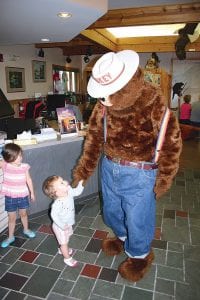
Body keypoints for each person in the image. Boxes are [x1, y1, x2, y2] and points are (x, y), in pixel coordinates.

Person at [72, 50, 182, 282]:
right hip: (109, 167)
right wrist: (83, 173)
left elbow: (171, 141)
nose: (103, 100)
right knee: (111, 212)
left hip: (140, 173)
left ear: (128, 83)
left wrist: (165, 177)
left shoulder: (153, 101)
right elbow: (93, 139)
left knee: (137, 218)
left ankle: (140, 256)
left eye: (108, 94)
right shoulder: (103, 107)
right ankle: (122, 237)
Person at [42, 175, 84, 267]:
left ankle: (62, 250)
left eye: (63, 180)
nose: (65, 181)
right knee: (63, 243)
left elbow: (77, 192)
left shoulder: (68, 192)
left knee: (66, 239)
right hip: (60, 227)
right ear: (57, 192)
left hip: (67, 224)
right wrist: (61, 225)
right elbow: (54, 215)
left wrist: (81, 184)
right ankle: (67, 258)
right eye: (61, 183)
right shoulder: (57, 203)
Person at [0, 143, 36, 248]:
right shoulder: (5, 164)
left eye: (20, 155)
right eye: (17, 156)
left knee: (23, 214)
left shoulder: (24, 167)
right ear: (9, 157)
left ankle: (26, 229)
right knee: (11, 217)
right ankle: (10, 236)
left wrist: (32, 192)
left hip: (22, 195)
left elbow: (28, 179)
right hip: (10, 196)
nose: (20, 158)